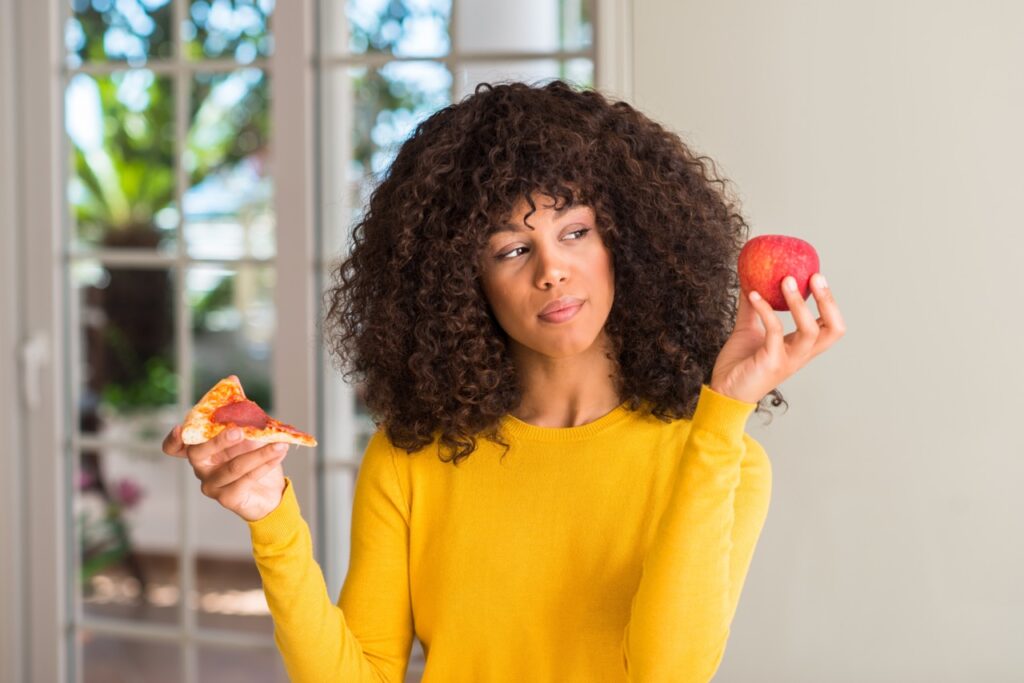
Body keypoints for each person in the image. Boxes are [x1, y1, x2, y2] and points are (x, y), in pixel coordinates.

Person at [162, 79, 845, 682]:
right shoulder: (412, 457)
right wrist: (271, 520)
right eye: (512, 248)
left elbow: (665, 671)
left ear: (626, 242)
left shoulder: (723, 461)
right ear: (462, 281)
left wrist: (724, 410)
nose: (552, 269)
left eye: (575, 231)